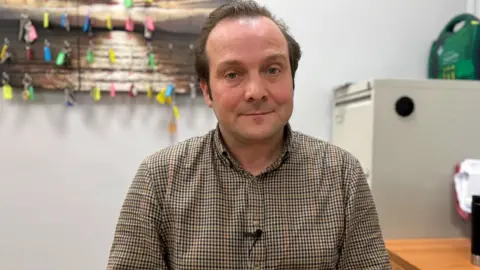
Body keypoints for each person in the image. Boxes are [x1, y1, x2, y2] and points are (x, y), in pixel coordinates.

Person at [106, 0, 392, 269]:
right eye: (233, 74)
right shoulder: (159, 178)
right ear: (207, 90)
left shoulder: (342, 175)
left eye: (272, 69)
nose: (256, 92)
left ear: (292, 79)